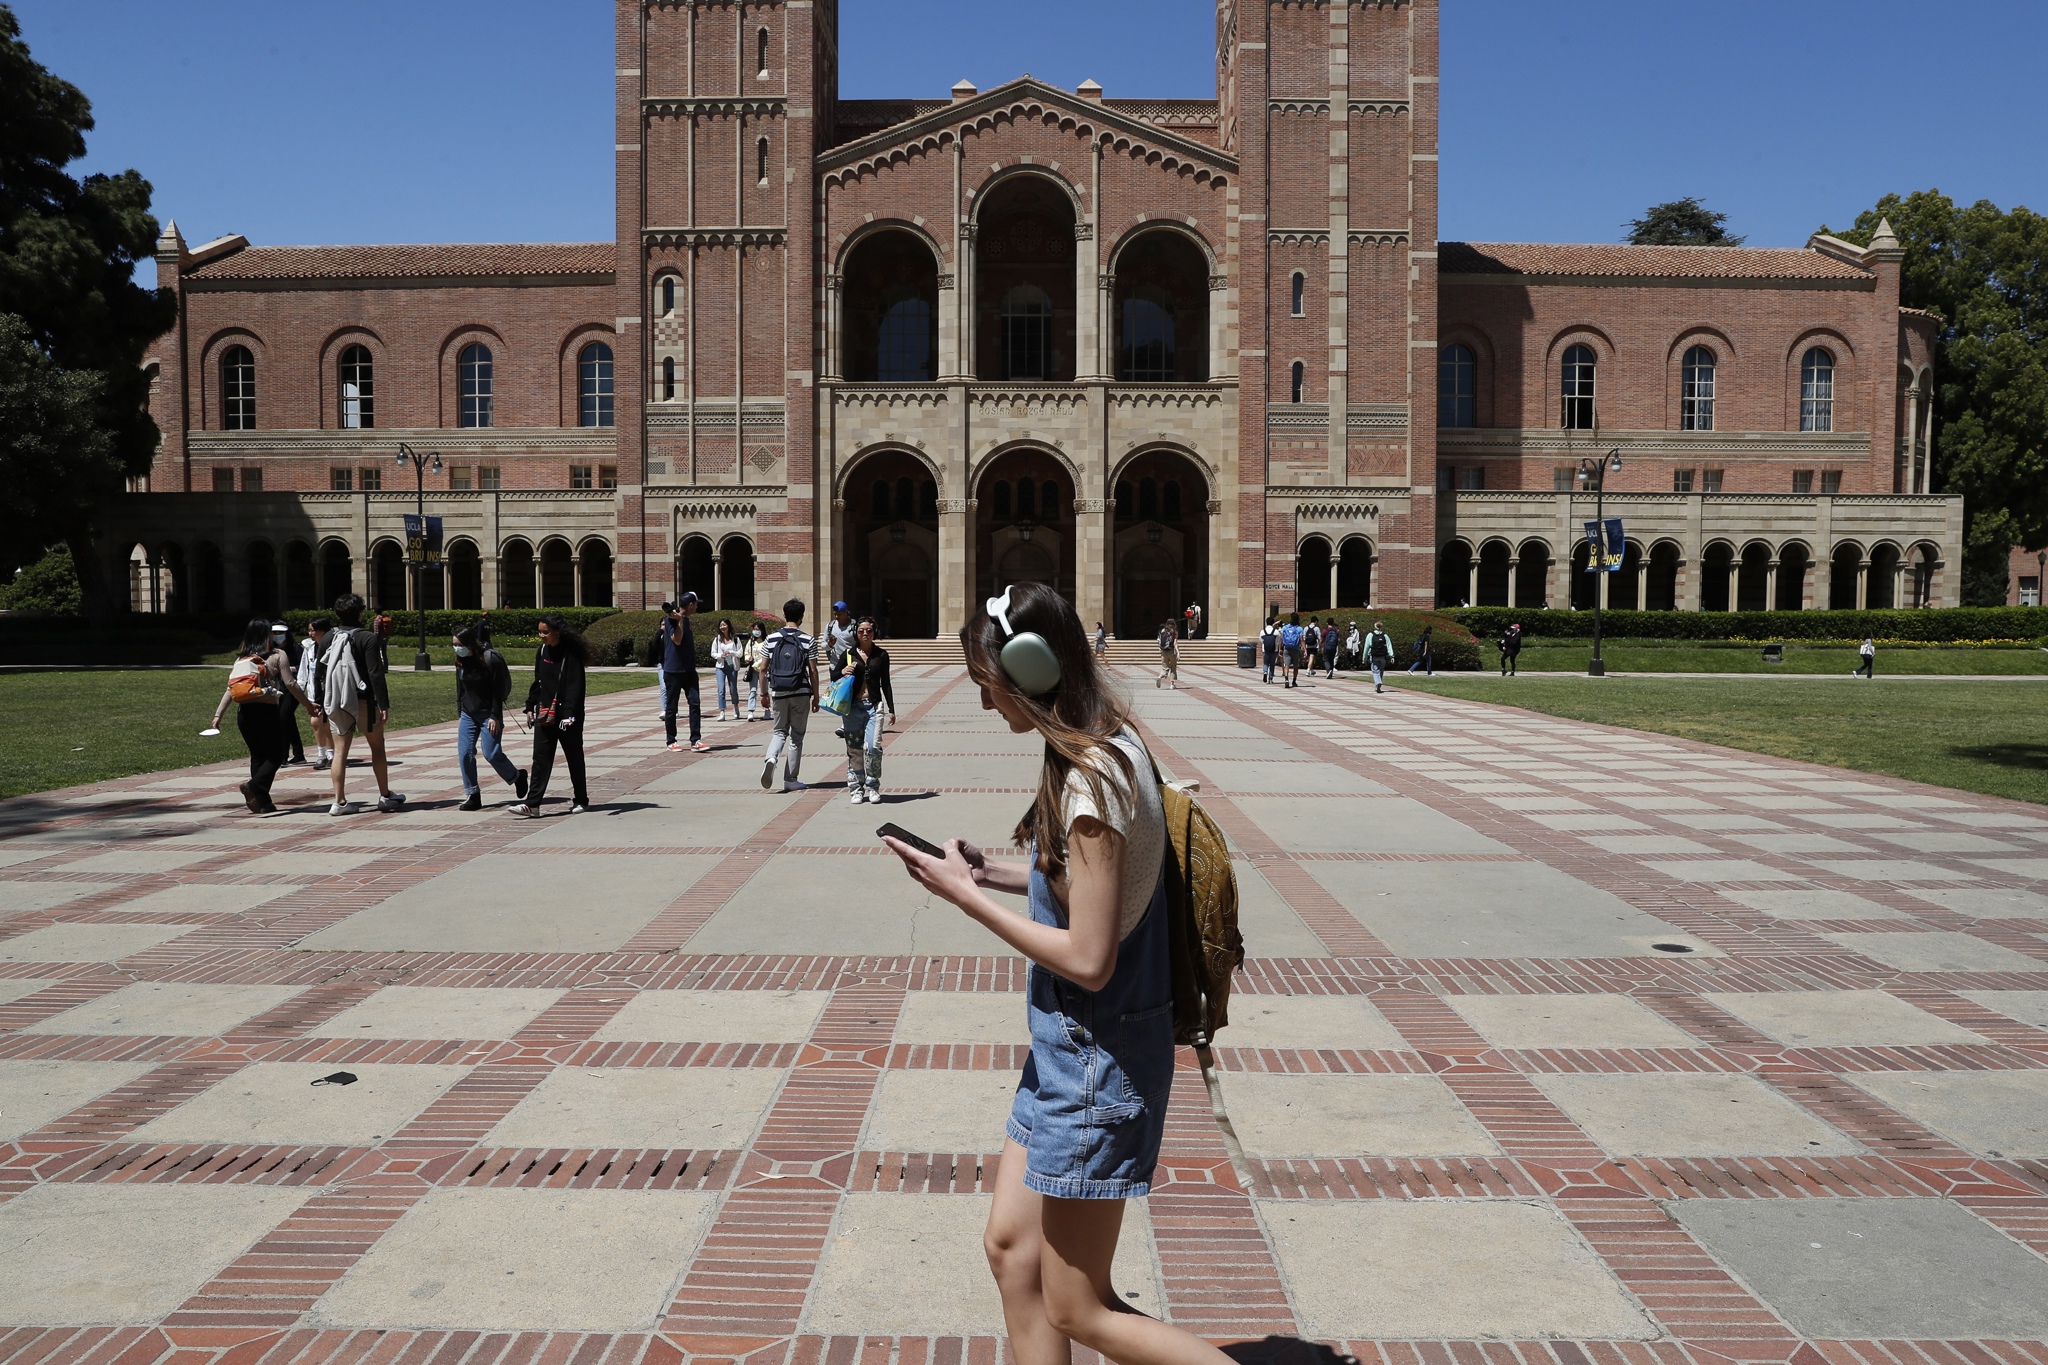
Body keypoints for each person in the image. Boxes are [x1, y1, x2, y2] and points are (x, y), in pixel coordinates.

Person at [883, 581, 1232, 1365]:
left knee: (1081, 1306)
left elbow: (1090, 956)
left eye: (987, 684)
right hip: (1065, 1054)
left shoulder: (1092, 782)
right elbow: (1086, 888)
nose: (983, 704)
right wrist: (992, 873)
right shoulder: (1101, 742)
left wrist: (965, 900)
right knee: (1012, 1248)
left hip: (1094, 1061)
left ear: (1032, 670)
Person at [211, 618, 316, 815]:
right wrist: (309, 705)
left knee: (258, 756)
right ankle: (254, 786)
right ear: (267, 635)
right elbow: (291, 684)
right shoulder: (277, 655)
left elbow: (230, 689)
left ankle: (263, 803)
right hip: (266, 712)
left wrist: (218, 715)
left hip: (244, 713)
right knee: (276, 756)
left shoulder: (241, 659)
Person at [317, 594, 404, 817]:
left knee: (339, 750)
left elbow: (320, 671)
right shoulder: (367, 638)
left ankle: (339, 801)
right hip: (364, 700)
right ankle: (385, 795)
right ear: (359, 612)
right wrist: (383, 703)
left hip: (337, 702)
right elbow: (376, 673)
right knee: (377, 747)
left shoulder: (328, 637)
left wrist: (319, 701)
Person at [513, 614, 591, 816]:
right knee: (540, 758)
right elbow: (538, 681)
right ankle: (533, 805)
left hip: (567, 716)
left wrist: (570, 716)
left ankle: (581, 800)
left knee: (574, 757)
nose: (541, 636)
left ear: (557, 632)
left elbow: (576, 688)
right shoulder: (542, 651)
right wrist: (530, 706)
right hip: (545, 714)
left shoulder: (570, 654)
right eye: (539, 631)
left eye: (545, 632)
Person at [453, 624, 526, 811]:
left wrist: (495, 716)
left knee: (491, 753)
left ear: (469, 644)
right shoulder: (460, 661)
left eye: (459, 644)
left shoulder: (487, 660)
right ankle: (473, 794)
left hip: (488, 714)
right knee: (465, 754)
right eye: (454, 644)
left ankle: (517, 776)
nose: (456, 648)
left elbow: (497, 690)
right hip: (469, 713)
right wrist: (460, 707)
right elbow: (460, 687)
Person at [760, 599, 819, 792]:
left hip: (778, 691)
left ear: (784, 615)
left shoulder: (771, 638)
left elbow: (762, 668)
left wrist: (763, 694)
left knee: (779, 731)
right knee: (797, 736)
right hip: (801, 692)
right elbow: (813, 671)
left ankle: (771, 757)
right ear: (801, 616)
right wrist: (816, 696)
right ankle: (790, 779)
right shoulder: (807, 639)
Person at [840, 617, 895, 804]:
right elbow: (833, 675)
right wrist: (842, 671)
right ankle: (856, 788)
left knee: (873, 747)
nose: (865, 633)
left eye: (869, 630)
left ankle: (873, 786)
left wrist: (892, 708)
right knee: (854, 750)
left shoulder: (882, 655)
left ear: (874, 632)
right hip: (852, 708)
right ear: (856, 633)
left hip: (874, 706)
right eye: (862, 630)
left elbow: (885, 683)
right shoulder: (848, 653)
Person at [660, 593, 710, 753]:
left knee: (695, 704)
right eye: (696, 604)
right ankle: (671, 740)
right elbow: (677, 639)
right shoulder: (670, 620)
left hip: (689, 671)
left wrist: (682, 620)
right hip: (673, 671)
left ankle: (695, 740)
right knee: (671, 707)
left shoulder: (685, 620)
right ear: (690, 605)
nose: (697, 607)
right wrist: (679, 620)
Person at [296, 617, 335, 770]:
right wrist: (300, 689)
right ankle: (322, 754)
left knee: (328, 723)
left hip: (330, 692)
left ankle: (331, 754)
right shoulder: (308, 648)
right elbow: (303, 671)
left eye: (313, 630)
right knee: (315, 722)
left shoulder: (333, 647)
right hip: (314, 693)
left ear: (323, 631)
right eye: (309, 630)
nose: (310, 633)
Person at [268, 623, 307, 765]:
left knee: (285, 716)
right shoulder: (272, 650)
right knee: (285, 719)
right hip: (280, 688)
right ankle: (297, 754)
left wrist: (289, 669)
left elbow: (304, 666)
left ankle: (285, 755)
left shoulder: (296, 649)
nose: (277, 636)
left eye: (280, 633)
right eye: (274, 633)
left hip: (295, 687)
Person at [711, 617, 743, 722]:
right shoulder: (717, 639)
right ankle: (722, 711)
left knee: (733, 689)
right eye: (721, 625)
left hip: (732, 666)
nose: (722, 627)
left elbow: (740, 653)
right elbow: (713, 653)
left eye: (724, 625)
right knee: (721, 690)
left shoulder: (735, 639)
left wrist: (731, 653)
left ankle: (736, 707)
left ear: (728, 626)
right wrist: (721, 655)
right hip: (721, 666)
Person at [741, 620, 768, 720]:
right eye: (754, 629)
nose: (756, 631)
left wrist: (759, 663)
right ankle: (751, 711)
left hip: (763, 670)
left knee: (764, 691)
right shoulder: (751, 642)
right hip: (753, 670)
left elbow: (768, 656)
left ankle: (767, 709)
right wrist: (748, 658)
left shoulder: (766, 641)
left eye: (758, 629)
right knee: (753, 690)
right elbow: (747, 653)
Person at [825, 601, 858, 681]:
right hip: (835, 666)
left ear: (846, 613)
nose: (836, 617)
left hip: (851, 666)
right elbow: (823, 645)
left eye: (839, 614)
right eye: (835, 614)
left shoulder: (854, 627)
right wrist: (829, 645)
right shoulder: (830, 626)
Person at [1363, 620, 1395, 694]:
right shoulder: (1385, 635)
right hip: (1383, 656)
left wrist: (1364, 658)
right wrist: (1392, 656)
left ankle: (1378, 682)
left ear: (1375, 626)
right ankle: (1379, 686)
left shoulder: (1370, 635)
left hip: (1374, 656)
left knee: (1375, 670)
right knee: (1381, 670)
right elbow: (1389, 646)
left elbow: (1366, 647)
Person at [1279, 613, 1305, 688]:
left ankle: (1286, 678)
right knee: (1295, 666)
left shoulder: (1285, 627)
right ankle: (1294, 681)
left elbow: (1281, 638)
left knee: (1286, 664)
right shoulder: (1299, 628)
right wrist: (1305, 649)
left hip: (1286, 648)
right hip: (1295, 649)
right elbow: (1301, 639)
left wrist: (1280, 648)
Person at [1155, 619, 1178, 690]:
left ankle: (1160, 676)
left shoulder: (1162, 630)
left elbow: (1158, 640)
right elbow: (1175, 643)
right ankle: (1172, 684)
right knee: (1173, 667)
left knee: (1164, 667)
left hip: (1163, 651)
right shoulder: (1174, 631)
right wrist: (1178, 652)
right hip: (1171, 651)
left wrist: (1160, 648)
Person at [1260, 615, 1278, 684]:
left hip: (1265, 649)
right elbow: (1277, 641)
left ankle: (1265, 672)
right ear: (1273, 622)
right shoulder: (1276, 632)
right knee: (1272, 664)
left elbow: (1261, 640)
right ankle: (1270, 678)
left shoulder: (1263, 631)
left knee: (1266, 663)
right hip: (1274, 650)